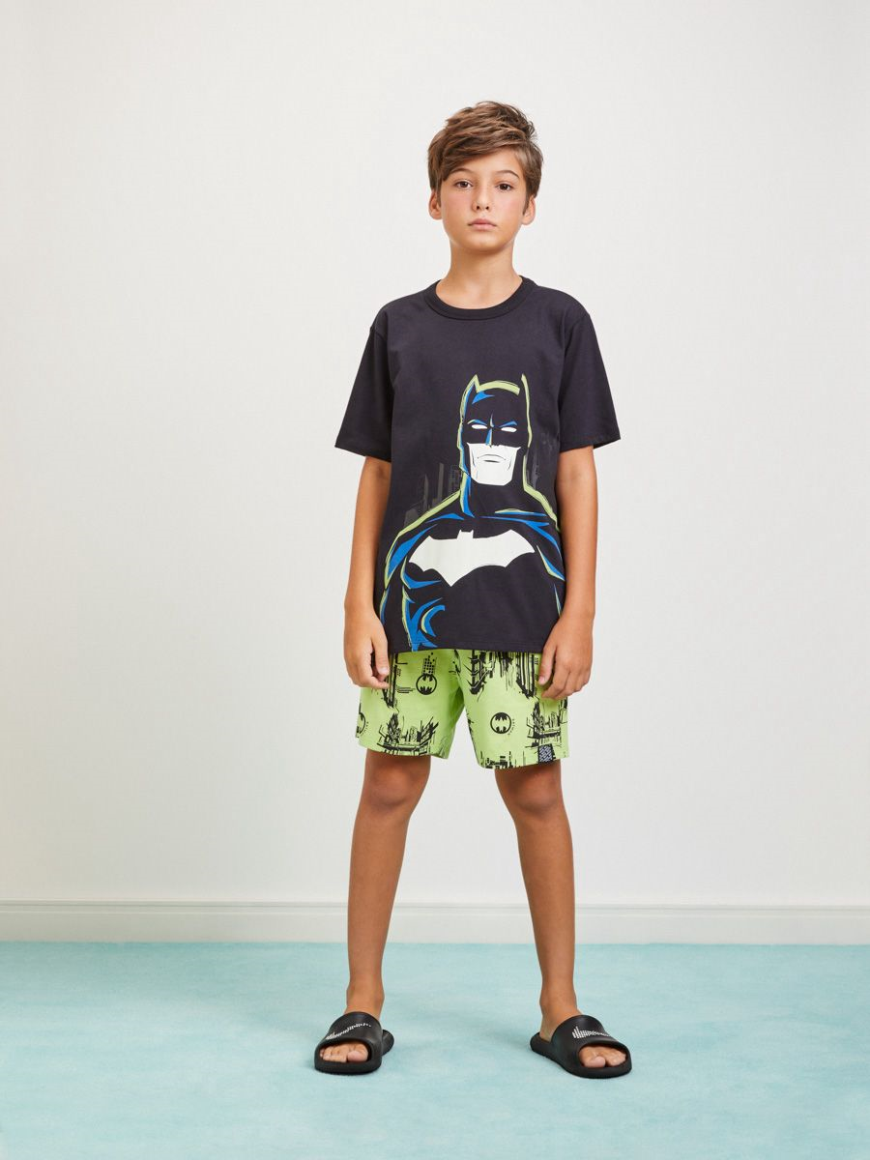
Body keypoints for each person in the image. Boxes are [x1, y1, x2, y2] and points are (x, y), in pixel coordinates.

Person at [314, 100, 632, 1079]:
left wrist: (579, 611)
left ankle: (561, 1006)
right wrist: (357, 602)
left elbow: (576, 471)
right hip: (406, 621)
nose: (482, 199)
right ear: (434, 201)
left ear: (530, 204)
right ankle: (362, 1000)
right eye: (463, 183)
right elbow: (377, 471)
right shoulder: (399, 327)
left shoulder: (560, 322)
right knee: (388, 786)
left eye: (502, 184)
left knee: (536, 791)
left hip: (527, 625)